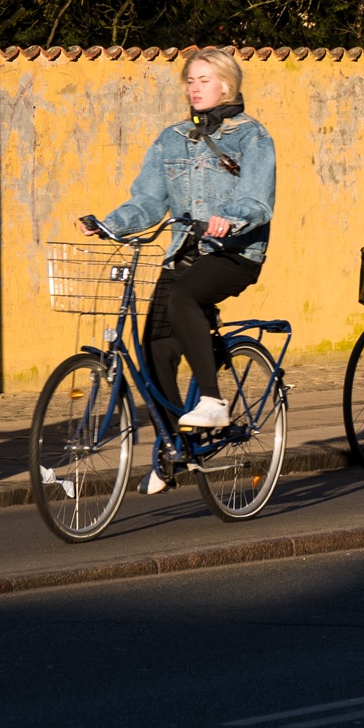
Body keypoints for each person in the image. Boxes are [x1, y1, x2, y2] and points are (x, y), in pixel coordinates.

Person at [87, 49, 275, 486]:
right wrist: (110, 223)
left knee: (185, 295)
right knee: (154, 350)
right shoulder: (171, 139)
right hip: (183, 251)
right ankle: (175, 450)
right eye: (190, 80)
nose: (194, 87)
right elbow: (149, 200)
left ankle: (212, 399)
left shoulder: (252, 137)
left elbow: (257, 198)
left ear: (226, 85)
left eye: (204, 79)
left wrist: (230, 216)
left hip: (234, 252)